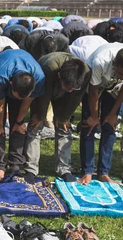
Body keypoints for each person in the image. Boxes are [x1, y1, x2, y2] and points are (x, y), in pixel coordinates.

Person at [80, 43, 123, 185]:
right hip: (95, 84)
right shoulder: (100, 61)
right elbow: (93, 91)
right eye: (120, 73)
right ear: (114, 64)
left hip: (115, 90)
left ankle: (103, 172)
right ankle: (87, 171)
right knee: (89, 126)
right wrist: (94, 116)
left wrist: (113, 114)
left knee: (110, 127)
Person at [24, 52, 91, 183]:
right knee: (35, 126)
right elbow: (44, 94)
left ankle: (64, 169)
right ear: (60, 76)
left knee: (63, 127)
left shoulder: (86, 72)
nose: (70, 90)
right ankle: (31, 169)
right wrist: (41, 115)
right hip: (43, 88)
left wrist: (65, 116)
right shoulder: (49, 67)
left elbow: (76, 96)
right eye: (68, 87)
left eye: (74, 87)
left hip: (65, 95)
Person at [0, 49, 46, 181]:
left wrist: (19, 122)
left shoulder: (38, 76)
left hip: (22, 80)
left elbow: (27, 101)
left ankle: (15, 164)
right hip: (3, 79)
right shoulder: (1, 76)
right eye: (17, 96)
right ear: (11, 85)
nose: (20, 99)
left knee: (19, 126)